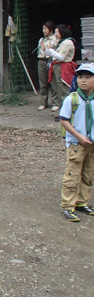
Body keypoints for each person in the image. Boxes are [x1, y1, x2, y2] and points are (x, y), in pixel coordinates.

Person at [58, 63, 94, 222]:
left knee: (88, 174)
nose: (83, 80)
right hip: (76, 143)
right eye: (80, 77)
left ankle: (82, 202)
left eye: (88, 77)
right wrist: (79, 137)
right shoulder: (71, 99)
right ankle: (68, 205)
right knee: (72, 174)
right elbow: (64, 120)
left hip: (91, 144)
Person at [45, 24, 76, 112]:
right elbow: (51, 54)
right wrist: (47, 49)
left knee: (63, 89)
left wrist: (51, 50)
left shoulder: (67, 42)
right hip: (56, 66)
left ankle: (67, 112)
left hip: (63, 67)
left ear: (63, 33)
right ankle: (63, 112)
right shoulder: (61, 42)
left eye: (56, 32)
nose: (55, 34)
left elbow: (61, 57)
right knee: (57, 88)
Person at [36, 21, 58, 111]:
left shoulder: (55, 38)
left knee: (53, 83)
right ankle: (43, 103)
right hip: (41, 61)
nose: (43, 30)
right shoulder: (41, 39)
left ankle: (55, 103)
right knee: (43, 83)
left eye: (45, 28)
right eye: (43, 28)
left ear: (51, 29)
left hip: (51, 61)